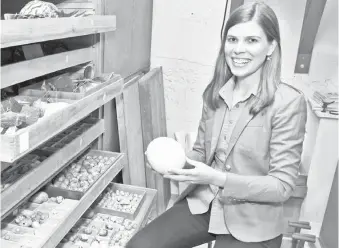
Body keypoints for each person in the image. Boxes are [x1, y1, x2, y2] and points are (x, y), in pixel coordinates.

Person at [126, 2, 307, 248]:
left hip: (251, 221)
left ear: (271, 47)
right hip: (205, 202)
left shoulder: (288, 103)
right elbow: (200, 152)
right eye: (232, 39)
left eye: (252, 40)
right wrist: (175, 163)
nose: (238, 49)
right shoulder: (215, 94)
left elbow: (282, 186)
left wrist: (219, 178)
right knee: (140, 246)